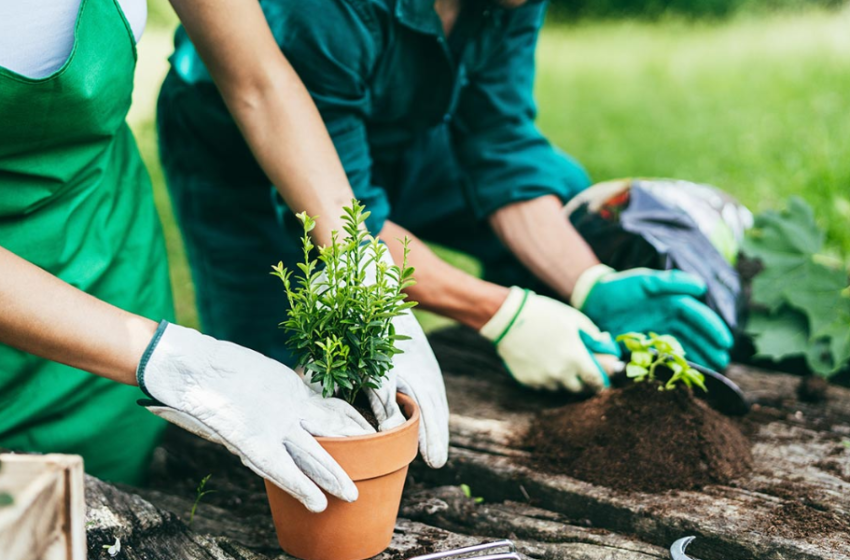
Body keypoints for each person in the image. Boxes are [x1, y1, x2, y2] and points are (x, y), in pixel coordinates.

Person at [0, 0, 447, 513]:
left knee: (125, 515)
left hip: (105, 262)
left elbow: (257, 79)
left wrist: (356, 264)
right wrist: (172, 362)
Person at [157, 0, 734, 393]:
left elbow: (498, 139)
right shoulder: (325, 12)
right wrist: (503, 316)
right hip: (247, 160)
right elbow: (347, 224)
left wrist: (590, 281)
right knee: (288, 373)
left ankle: (562, 346)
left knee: (559, 191)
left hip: (406, 120)